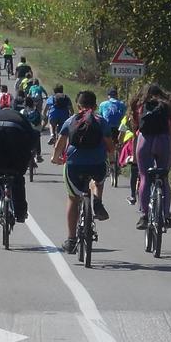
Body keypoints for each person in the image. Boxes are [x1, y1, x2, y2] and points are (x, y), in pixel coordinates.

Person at [51, 90, 113, 252]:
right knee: (99, 180)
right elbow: (110, 146)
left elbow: (60, 144)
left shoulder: (71, 120)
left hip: (74, 164)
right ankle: (97, 201)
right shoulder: (101, 121)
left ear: (78, 106)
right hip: (97, 164)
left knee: (73, 198)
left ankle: (71, 240)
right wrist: (111, 160)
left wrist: (55, 158)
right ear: (95, 106)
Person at [131, 83, 171, 229]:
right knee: (164, 178)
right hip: (163, 141)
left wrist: (133, 155)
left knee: (144, 176)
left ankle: (144, 216)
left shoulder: (140, 107)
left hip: (145, 141)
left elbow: (136, 131)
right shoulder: (166, 107)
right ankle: (166, 215)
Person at [22, 97, 43, 162]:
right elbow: (43, 118)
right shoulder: (37, 112)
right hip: (36, 131)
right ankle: (38, 155)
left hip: (26, 131)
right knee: (37, 138)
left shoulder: (23, 111)